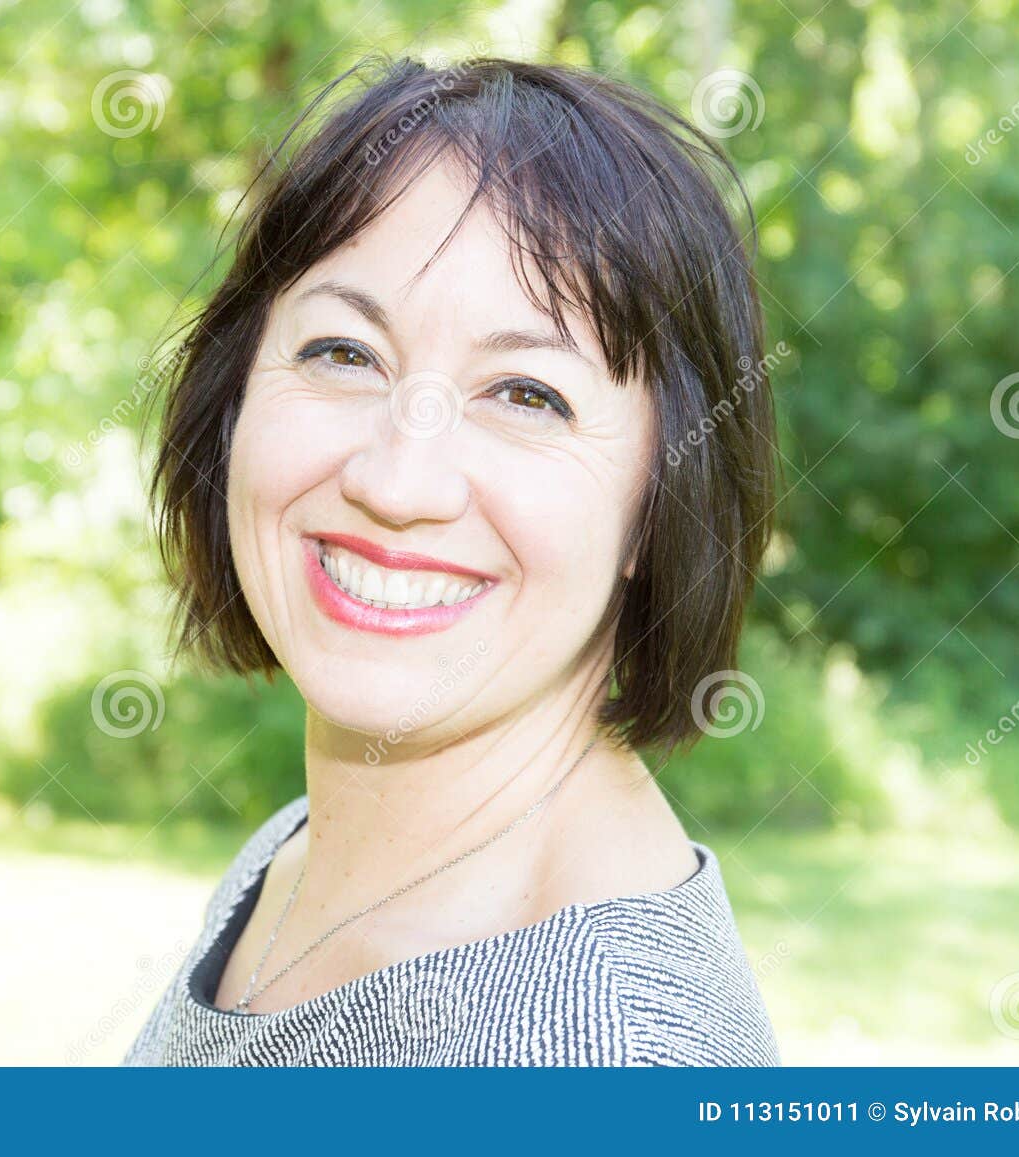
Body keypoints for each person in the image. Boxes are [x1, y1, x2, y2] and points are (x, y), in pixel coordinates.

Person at [124, 55, 782, 1066]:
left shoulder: (605, 1059)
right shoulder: (306, 856)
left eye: (525, 394)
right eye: (344, 352)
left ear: (663, 501)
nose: (398, 480)